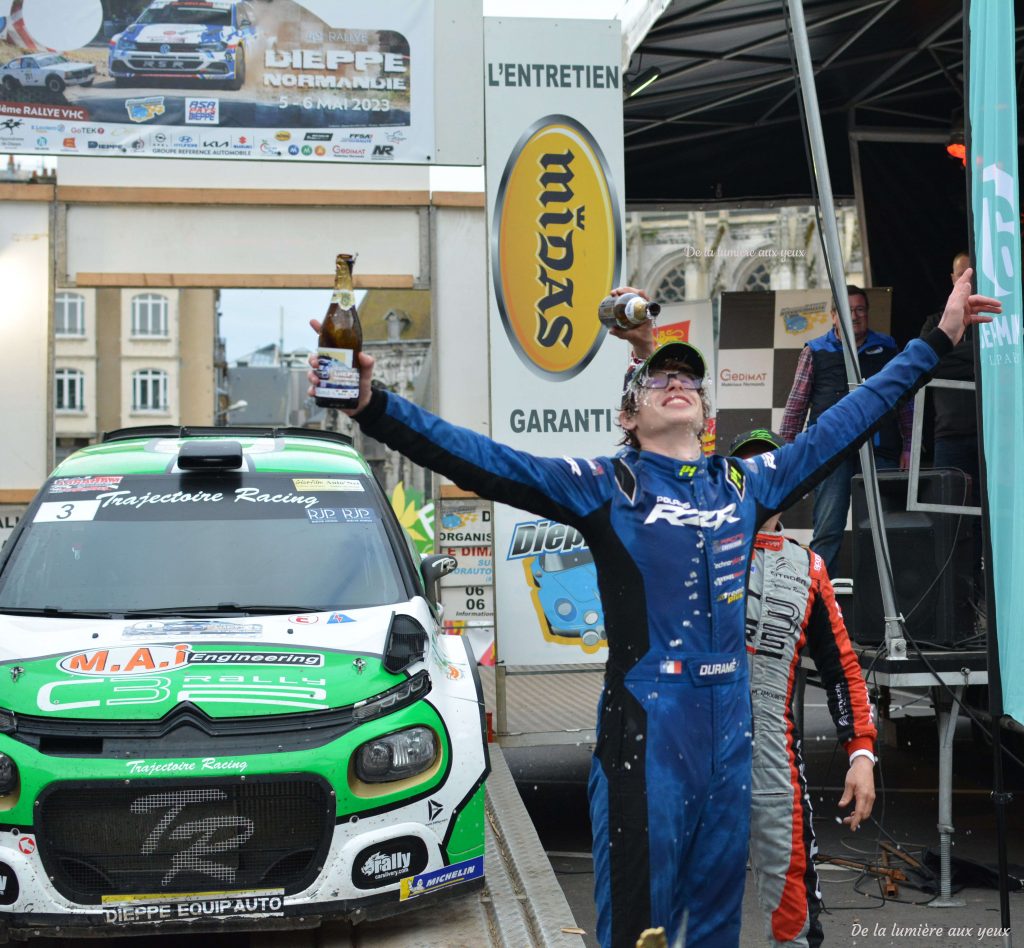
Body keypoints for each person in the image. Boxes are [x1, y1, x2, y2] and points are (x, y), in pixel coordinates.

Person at [309, 271, 997, 948]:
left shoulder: (746, 483)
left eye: (689, 379)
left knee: (716, 932)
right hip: (646, 738)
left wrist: (937, 338)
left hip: (729, 741)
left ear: (705, 411)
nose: (677, 383)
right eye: (659, 378)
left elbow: (851, 417)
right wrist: (373, 404)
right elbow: (483, 459)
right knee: (641, 932)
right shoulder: (606, 486)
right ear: (628, 415)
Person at [729, 429, 876, 948]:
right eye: (747, 468)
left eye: (771, 466)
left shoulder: (809, 565)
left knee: (792, 910)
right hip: (698, 753)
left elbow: (842, 669)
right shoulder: (703, 547)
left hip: (772, 757)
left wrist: (861, 753)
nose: (761, 477)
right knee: (683, 901)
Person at [779, 286, 914, 578]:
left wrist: (909, 446)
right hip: (830, 451)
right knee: (827, 530)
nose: (854, 316)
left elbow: (904, 400)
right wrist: (786, 454)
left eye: (860, 310)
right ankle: (820, 606)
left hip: (879, 450)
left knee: (881, 529)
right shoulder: (814, 350)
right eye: (846, 310)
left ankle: (881, 601)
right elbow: (796, 406)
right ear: (833, 316)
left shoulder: (888, 347)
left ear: (867, 313)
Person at [919, 253, 978, 502]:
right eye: (961, 274)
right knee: (948, 513)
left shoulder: (991, 320)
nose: (966, 281)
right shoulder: (934, 322)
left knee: (990, 511)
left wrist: (948, 352)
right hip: (948, 435)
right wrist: (973, 360)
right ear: (953, 278)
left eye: (971, 274)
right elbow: (927, 361)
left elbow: (989, 360)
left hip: (989, 432)